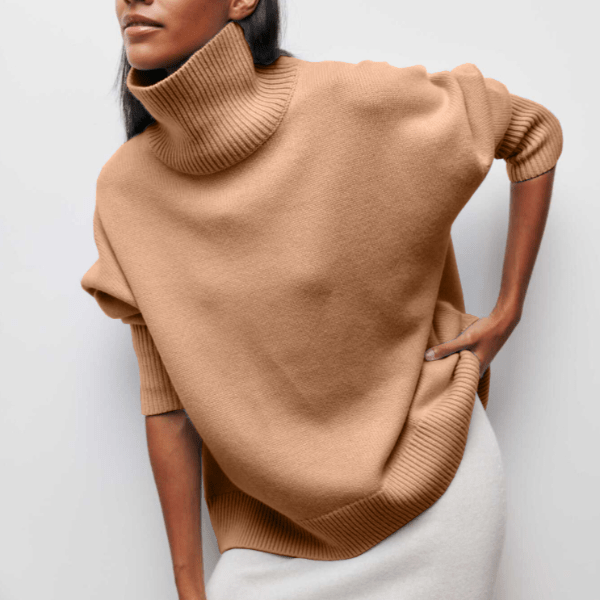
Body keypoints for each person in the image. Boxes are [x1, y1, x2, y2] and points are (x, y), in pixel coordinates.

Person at [80, 0, 563, 598]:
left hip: (432, 498)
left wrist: (507, 312)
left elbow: (531, 132)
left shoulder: (352, 103)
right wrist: (189, 586)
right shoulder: (126, 191)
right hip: (269, 536)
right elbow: (169, 405)